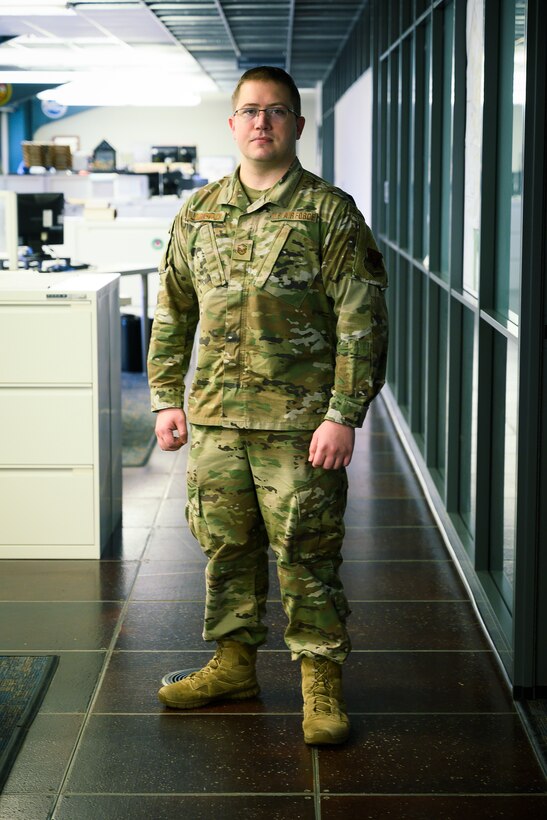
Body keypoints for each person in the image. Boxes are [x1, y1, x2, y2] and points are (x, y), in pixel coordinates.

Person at [147, 66, 388, 745]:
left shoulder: (327, 212)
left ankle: (320, 682)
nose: (262, 122)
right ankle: (231, 665)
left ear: (296, 125)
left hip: (299, 424)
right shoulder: (196, 213)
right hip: (218, 419)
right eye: (250, 110)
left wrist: (343, 412)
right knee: (226, 549)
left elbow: (360, 317)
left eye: (276, 111)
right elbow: (173, 310)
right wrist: (167, 396)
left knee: (305, 553)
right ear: (232, 124)